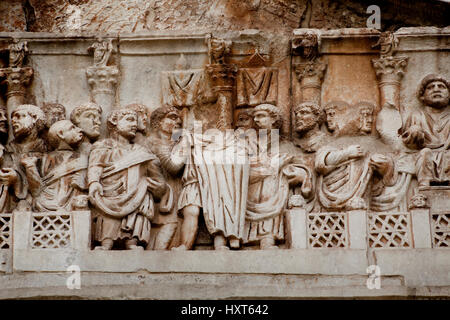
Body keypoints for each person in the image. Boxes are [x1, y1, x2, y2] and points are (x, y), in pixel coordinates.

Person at [88, 108, 169, 250]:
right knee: (108, 208)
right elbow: (96, 165)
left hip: (137, 193)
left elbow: (157, 177)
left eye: (136, 121)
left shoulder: (141, 151)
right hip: (110, 190)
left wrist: (156, 185)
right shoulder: (103, 146)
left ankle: (132, 242)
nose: (135, 125)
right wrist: (94, 182)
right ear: (114, 122)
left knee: (139, 204)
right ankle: (106, 242)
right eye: (129, 120)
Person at [244, 104, 313, 249]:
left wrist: (286, 168)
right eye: (255, 117)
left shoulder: (283, 144)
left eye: (261, 116)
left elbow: (296, 162)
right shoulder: (248, 142)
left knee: (275, 181)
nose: (256, 120)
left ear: (274, 119)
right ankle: (247, 236)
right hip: (252, 184)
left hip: (273, 187)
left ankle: (267, 238)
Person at [25, 120, 88, 211]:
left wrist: (83, 183)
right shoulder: (44, 159)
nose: (80, 129)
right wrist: (30, 167)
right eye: (72, 128)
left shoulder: (82, 157)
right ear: (61, 134)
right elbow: (37, 190)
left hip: (73, 205)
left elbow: (83, 183)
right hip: (45, 205)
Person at [401, 74, 450, 187]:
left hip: (447, 152)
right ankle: (425, 185)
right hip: (424, 153)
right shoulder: (416, 115)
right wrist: (414, 133)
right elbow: (408, 144)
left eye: (441, 86)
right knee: (425, 153)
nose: (436, 89)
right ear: (422, 96)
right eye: (430, 87)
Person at [148, 106, 183, 250]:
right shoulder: (152, 142)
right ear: (158, 122)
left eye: (179, 118)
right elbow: (173, 167)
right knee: (165, 225)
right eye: (172, 117)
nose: (178, 121)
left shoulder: (176, 142)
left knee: (173, 226)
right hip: (159, 192)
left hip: (175, 189)